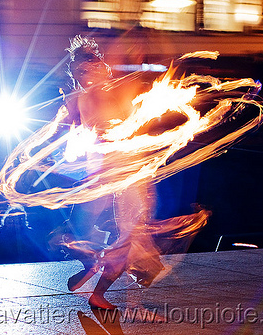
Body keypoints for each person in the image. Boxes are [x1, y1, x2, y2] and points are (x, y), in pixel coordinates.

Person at [60, 36, 209, 309]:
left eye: (87, 69)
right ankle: (100, 288)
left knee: (131, 236)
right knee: (131, 237)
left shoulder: (82, 97)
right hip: (123, 173)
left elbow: (93, 131)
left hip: (121, 172)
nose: (85, 75)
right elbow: (105, 131)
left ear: (97, 67)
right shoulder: (97, 95)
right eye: (80, 71)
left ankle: (95, 268)